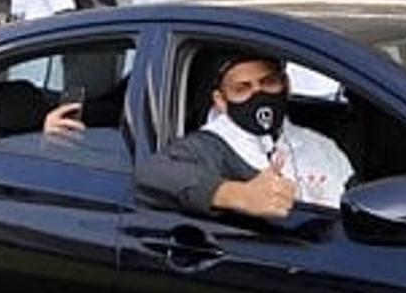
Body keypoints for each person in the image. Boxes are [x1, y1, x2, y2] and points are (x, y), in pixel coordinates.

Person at [133, 52, 355, 217]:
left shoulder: (320, 145)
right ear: (220, 100)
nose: (258, 95)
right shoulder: (207, 148)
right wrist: (237, 195)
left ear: (286, 85)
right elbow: (151, 175)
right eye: (242, 88)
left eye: (268, 83)